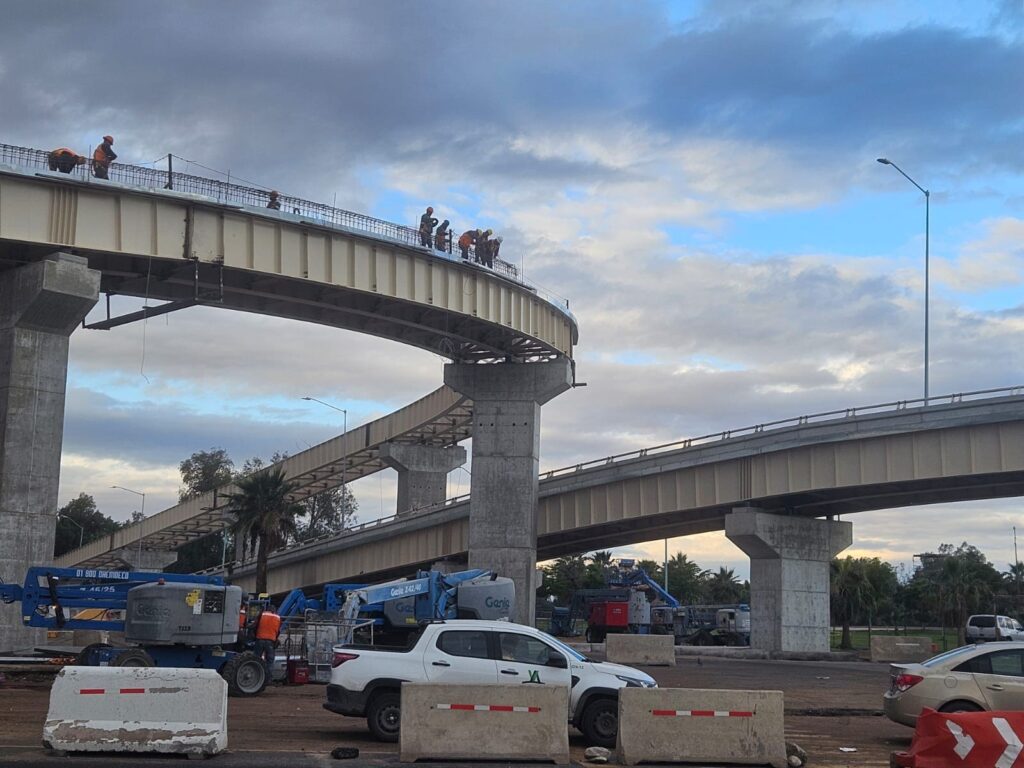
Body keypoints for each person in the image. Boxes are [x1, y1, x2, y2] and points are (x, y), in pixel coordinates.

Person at [254, 605, 282, 676]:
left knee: (256, 659)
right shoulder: (278, 617)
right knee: (269, 661)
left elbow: (255, 626)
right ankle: (268, 678)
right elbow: (278, 631)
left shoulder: (262, 614)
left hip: (260, 639)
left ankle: (256, 676)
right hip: (270, 641)